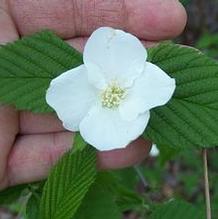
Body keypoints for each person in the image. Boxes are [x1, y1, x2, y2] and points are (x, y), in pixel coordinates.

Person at [0, 0, 187, 190]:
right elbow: (64, 94)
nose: (112, 94)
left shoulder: (145, 77)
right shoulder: (74, 90)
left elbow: (160, 87)